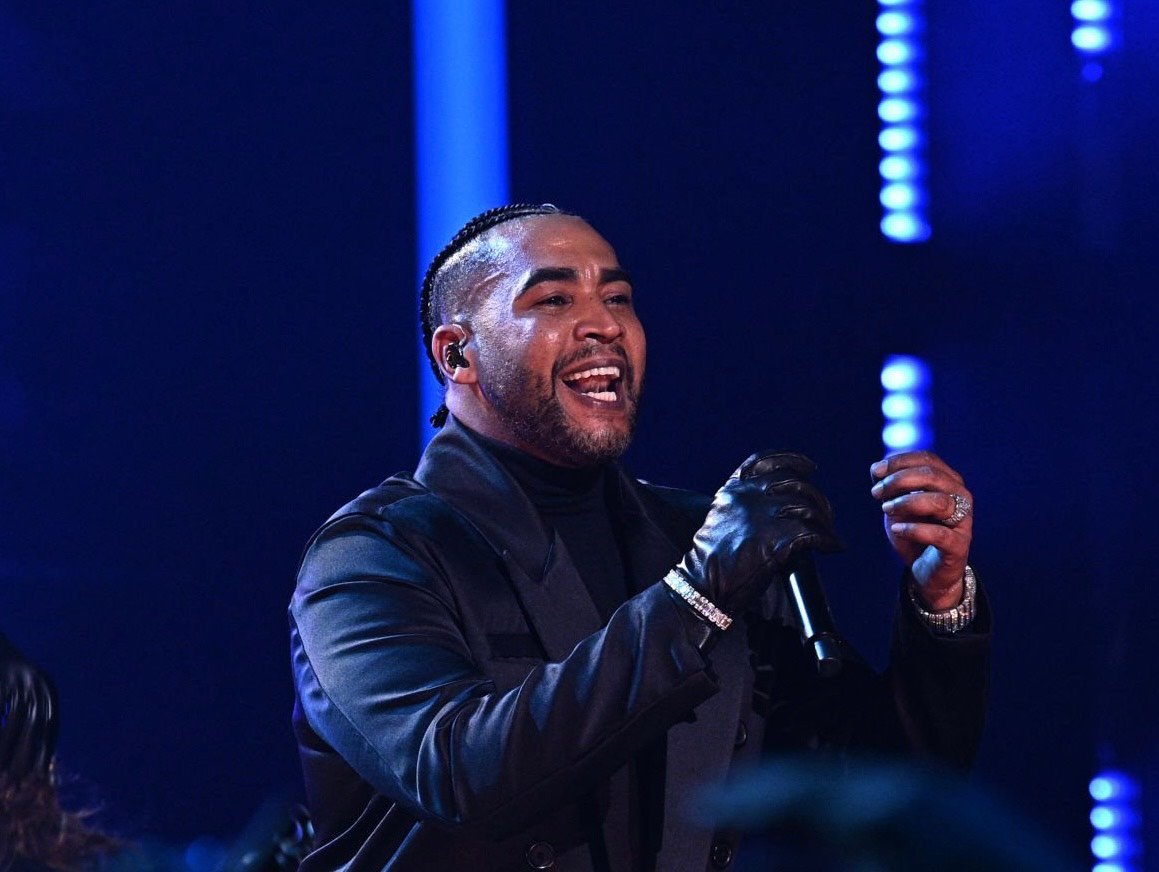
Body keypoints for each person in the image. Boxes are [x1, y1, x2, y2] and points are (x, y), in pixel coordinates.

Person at [289, 204, 990, 871]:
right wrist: (698, 593)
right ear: (456, 354)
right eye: (553, 300)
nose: (603, 324)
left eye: (619, 298)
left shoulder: (701, 538)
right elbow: (460, 774)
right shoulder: (373, 555)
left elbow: (879, 786)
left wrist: (939, 601)